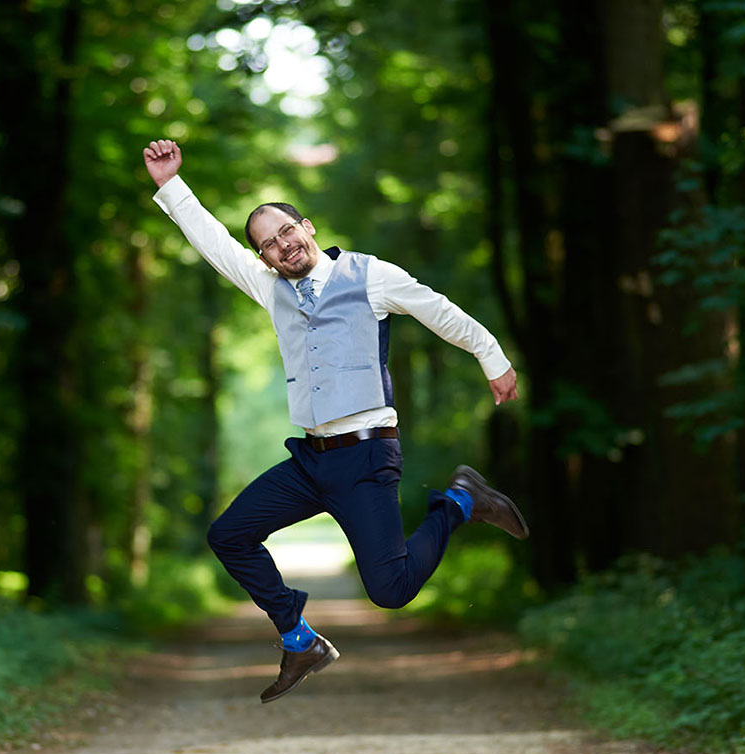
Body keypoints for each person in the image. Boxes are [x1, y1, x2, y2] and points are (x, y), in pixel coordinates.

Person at [143, 139, 528, 703]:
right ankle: (299, 640)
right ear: (265, 259)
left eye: (287, 231)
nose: (282, 246)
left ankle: (461, 502)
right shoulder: (270, 290)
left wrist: (492, 358)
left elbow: (439, 310)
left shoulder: (369, 276)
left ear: (309, 227)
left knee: (392, 591)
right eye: (268, 245)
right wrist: (170, 186)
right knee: (229, 535)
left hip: (368, 456)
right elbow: (214, 245)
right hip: (311, 459)